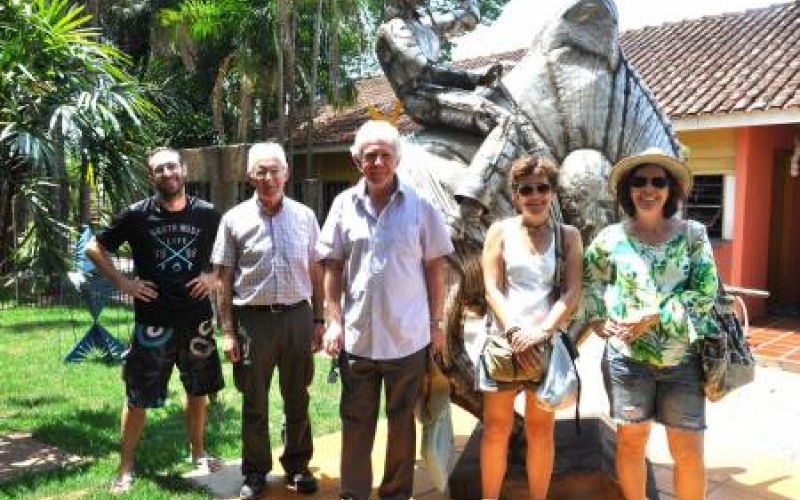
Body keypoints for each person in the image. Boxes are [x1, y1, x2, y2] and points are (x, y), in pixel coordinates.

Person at [318, 120, 454, 500]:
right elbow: (332, 265)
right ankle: (354, 493)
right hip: (358, 338)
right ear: (356, 159)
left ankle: (396, 493)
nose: (377, 161)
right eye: (369, 155)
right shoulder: (343, 205)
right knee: (356, 422)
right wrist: (333, 321)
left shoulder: (420, 205)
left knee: (401, 424)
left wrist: (436, 323)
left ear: (397, 158)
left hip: (407, 337)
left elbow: (435, 267)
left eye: (385, 155)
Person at [85, 147, 224, 494]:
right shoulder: (136, 215)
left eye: (172, 166)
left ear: (184, 170)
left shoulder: (208, 215)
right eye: (159, 169)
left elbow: (230, 251)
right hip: (153, 323)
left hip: (197, 321)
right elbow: (94, 247)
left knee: (198, 392)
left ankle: (198, 452)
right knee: (137, 399)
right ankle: (125, 467)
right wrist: (123, 283)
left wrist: (214, 276)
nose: (167, 173)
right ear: (152, 176)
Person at [583, 147, 719, 500]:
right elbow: (588, 277)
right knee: (630, 444)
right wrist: (597, 317)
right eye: (639, 181)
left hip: (683, 359)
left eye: (658, 181)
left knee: (687, 451)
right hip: (626, 359)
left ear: (670, 190)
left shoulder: (692, 235)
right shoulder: (611, 238)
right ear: (628, 189)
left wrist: (655, 314)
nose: (648, 189)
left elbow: (706, 293)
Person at [211, 142, 324, 500]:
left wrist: (320, 319)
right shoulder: (233, 219)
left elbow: (317, 271)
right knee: (254, 402)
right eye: (261, 170)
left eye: (275, 170)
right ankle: (255, 472)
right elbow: (222, 280)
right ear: (250, 176)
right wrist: (228, 332)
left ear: (286, 173)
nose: (269, 177)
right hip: (252, 323)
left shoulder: (305, 216)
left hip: (297, 317)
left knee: (297, 397)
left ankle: (298, 466)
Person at [479, 155, 583, 500]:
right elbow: (491, 288)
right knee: (496, 429)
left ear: (553, 191)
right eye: (527, 189)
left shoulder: (567, 236)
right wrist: (514, 334)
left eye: (542, 187)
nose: (535, 196)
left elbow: (571, 292)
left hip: (545, 345)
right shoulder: (500, 231)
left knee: (541, 430)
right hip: (504, 343)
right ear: (516, 193)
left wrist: (541, 334)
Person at [376, 0, 506, 135]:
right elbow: (424, 71)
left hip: (445, 90)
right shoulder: (392, 29)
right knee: (489, 115)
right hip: (421, 100)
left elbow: (470, 17)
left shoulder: (425, 25)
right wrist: (477, 78)